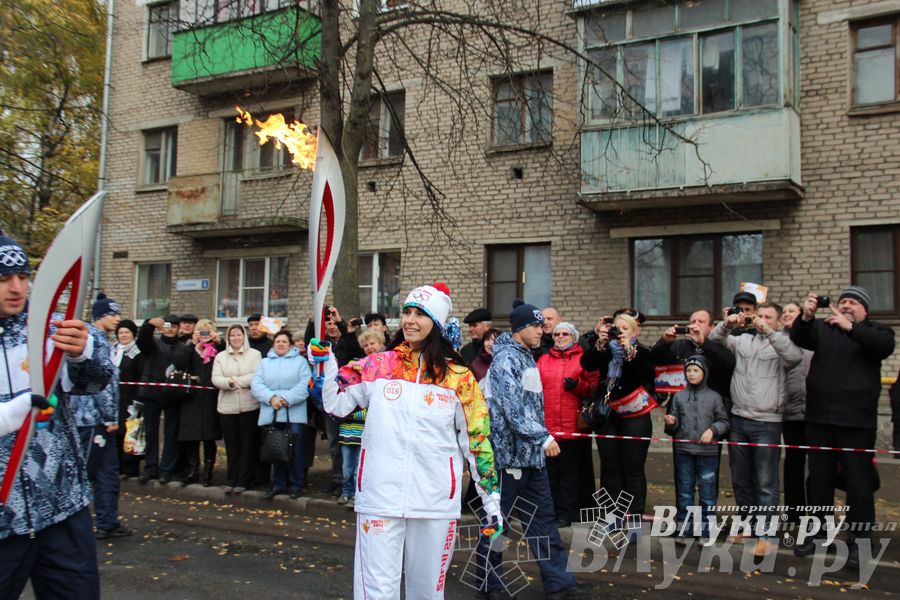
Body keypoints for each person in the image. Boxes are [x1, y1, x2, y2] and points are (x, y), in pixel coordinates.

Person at [319, 283, 500, 599]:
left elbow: (477, 439)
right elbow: (336, 402)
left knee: (426, 592)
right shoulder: (380, 364)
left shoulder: (458, 376)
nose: (410, 320)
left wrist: (491, 500)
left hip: (434, 502)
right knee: (376, 591)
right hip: (380, 497)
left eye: (421, 314)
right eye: (407, 312)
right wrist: (325, 363)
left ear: (437, 323)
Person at [0, 230, 114, 598]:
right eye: (3, 279)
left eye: (22, 277)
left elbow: (97, 380)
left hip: (62, 510)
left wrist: (83, 352)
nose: (16, 288)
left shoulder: (50, 328)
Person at [478, 300, 587, 599]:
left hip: (531, 460)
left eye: (543, 325)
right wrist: (543, 438)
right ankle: (489, 583)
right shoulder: (505, 362)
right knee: (497, 524)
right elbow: (513, 411)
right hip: (507, 460)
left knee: (543, 522)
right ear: (521, 328)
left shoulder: (527, 358)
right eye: (537, 326)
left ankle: (559, 583)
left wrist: (538, 444)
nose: (543, 330)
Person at [790, 287, 895, 566]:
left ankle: (859, 543)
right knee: (819, 481)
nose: (846, 306)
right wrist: (807, 316)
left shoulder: (877, 331)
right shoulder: (825, 329)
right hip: (819, 420)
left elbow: (884, 347)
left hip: (856, 424)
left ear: (865, 310)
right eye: (843, 302)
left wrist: (851, 327)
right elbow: (799, 337)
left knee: (858, 484)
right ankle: (818, 533)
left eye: (853, 302)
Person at [710, 299, 802, 557]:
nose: (761, 319)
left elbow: (794, 358)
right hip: (739, 418)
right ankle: (747, 525)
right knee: (741, 480)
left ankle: (767, 534)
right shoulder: (744, 341)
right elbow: (714, 341)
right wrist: (727, 324)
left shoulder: (783, 342)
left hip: (767, 422)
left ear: (779, 320)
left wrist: (769, 331)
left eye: (768, 317)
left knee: (765, 481)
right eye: (759, 315)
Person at [581, 312, 657, 519]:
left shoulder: (641, 352)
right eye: (617, 328)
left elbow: (646, 375)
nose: (620, 332)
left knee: (633, 468)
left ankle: (634, 514)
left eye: (625, 329)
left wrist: (628, 350)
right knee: (611, 467)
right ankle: (612, 513)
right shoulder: (605, 350)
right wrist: (601, 342)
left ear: (636, 331)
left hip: (635, 416)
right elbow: (587, 364)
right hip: (608, 414)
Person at [69, 294, 132, 540]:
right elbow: (100, 384)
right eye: (112, 314)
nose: (117, 319)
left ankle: (107, 521)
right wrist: (109, 417)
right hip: (89, 421)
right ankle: (74, 525)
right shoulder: (91, 339)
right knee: (85, 472)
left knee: (107, 472)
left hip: (99, 421)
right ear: (99, 315)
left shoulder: (102, 339)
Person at [537, 322, 598, 528]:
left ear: (573, 337)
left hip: (573, 427)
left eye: (565, 334)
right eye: (557, 334)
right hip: (549, 427)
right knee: (551, 473)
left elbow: (595, 388)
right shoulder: (543, 360)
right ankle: (551, 510)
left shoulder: (584, 360)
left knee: (569, 474)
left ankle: (566, 513)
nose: (560, 337)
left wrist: (579, 386)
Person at [663, 355, 729, 542]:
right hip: (684, 453)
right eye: (688, 371)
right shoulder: (679, 396)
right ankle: (684, 528)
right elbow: (672, 428)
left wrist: (713, 430)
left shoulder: (715, 397)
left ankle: (706, 531)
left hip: (708, 454)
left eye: (696, 371)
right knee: (685, 492)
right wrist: (672, 423)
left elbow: (724, 422)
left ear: (704, 373)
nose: (691, 374)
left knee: (707, 494)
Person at [252, 329, 311, 499]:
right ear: (273, 344)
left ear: (290, 345)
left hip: (293, 412)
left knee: (295, 449)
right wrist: (271, 398)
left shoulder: (300, 362)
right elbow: (257, 384)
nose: (280, 344)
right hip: (272, 412)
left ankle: (296, 484)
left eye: (284, 342)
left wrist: (285, 398)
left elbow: (304, 384)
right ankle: (279, 483)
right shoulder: (264, 363)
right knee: (275, 448)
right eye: (277, 341)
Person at [136, 314, 188, 484]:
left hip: (173, 397)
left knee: (171, 435)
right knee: (151, 434)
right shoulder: (153, 344)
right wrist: (148, 324)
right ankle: (150, 468)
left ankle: (167, 470)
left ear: (178, 328)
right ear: (162, 328)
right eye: (167, 325)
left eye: (174, 325)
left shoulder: (184, 349)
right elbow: (142, 340)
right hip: (152, 394)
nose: (171, 328)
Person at [336, 329, 385, 505]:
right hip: (349, 428)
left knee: (362, 466)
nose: (369, 347)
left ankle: (359, 494)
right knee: (347, 466)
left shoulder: (389, 365)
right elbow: (344, 392)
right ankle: (346, 491)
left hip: (371, 428)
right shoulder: (355, 364)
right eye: (365, 345)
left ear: (381, 343)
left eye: (372, 343)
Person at [212, 324, 262, 494]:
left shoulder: (255, 355)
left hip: (249, 406)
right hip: (227, 407)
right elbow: (216, 378)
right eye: (232, 335)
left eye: (238, 334)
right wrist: (229, 383)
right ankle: (231, 479)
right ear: (228, 338)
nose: (235, 338)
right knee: (232, 446)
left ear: (244, 336)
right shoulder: (220, 356)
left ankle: (244, 480)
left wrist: (234, 381)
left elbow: (255, 376)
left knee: (248, 445)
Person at [650, 309, 735, 404]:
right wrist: (664, 342)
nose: (696, 324)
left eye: (701, 322)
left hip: (711, 407)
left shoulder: (719, 345)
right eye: (693, 321)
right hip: (681, 406)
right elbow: (655, 361)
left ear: (712, 327)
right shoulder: (679, 345)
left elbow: (729, 364)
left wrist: (703, 343)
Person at [178, 319, 223, 487]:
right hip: (192, 398)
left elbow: (226, 353)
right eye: (200, 331)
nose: (203, 335)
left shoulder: (217, 349)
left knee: (209, 437)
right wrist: (192, 343)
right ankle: (193, 470)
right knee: (192, 436)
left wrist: (218, 341)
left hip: (211, 398)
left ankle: (208, 472)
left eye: (206, 332)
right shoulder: (191, 349)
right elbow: (180, 363)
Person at [780, 302, 813, 526]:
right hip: (790, 413)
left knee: (818, 467)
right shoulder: (778, 340)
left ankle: (816, 515)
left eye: (792, 311)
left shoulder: (813, 337)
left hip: (815, 413)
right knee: (793, 464)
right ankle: (794, 515)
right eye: (784, 312)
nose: (787, 314)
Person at [113, 319, 142, 478]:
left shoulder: (136, 353)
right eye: (120, 333)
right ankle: (117, 466)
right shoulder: (114, 350)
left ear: (133, 334)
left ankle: (130, 469)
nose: (123, 335)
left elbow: (139, 377)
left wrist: (137, 402)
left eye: (126, 332)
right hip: (115, 399)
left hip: (130, 398)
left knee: (130, 433)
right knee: (116, 433)